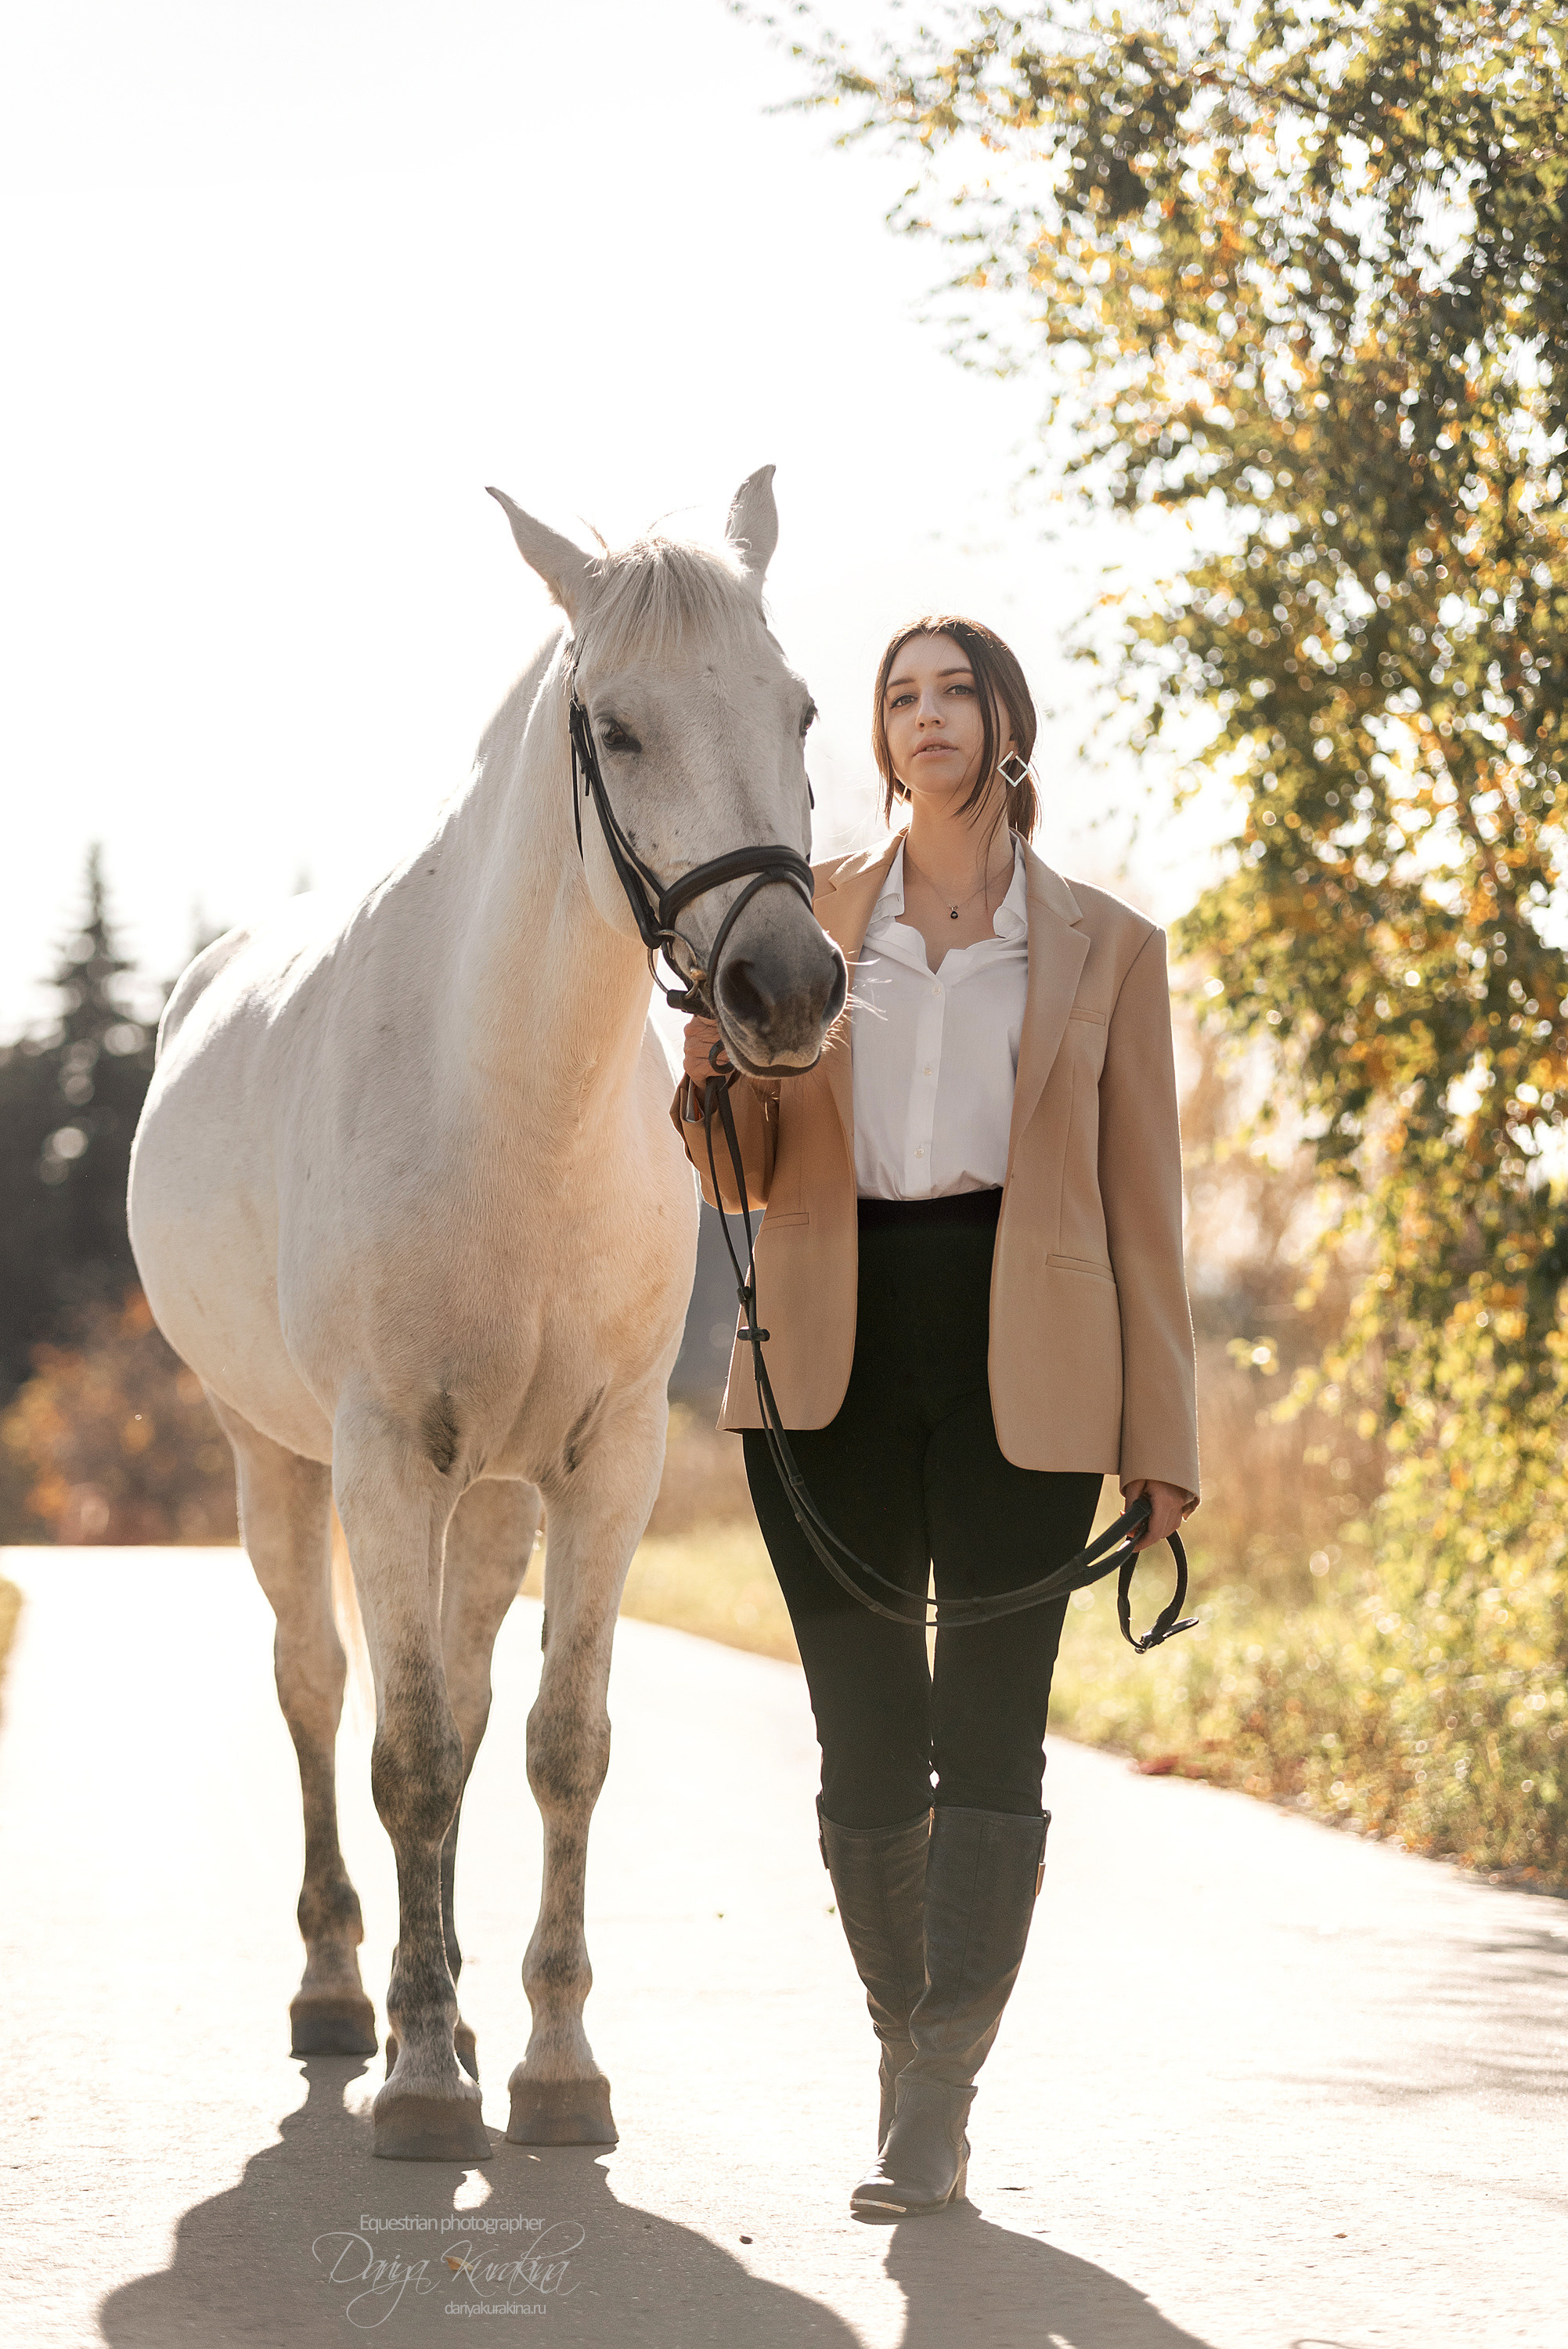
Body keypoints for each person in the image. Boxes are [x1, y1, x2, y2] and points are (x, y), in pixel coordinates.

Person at [672, 615, 1199, 2217]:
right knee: (862, 1735)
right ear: (878, 738)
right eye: (898, 696)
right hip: (826, 1352)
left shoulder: (1107, 945)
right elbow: (748, 1175)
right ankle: (907, 2040)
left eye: (952, 689)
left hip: (1026, 1363)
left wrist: (1163, 1444)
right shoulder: (804, 918)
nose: (924, 715)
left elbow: (1145, 1206)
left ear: (1002, 719)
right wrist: (707, 1091)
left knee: (987, 1722)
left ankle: (933, 2099)